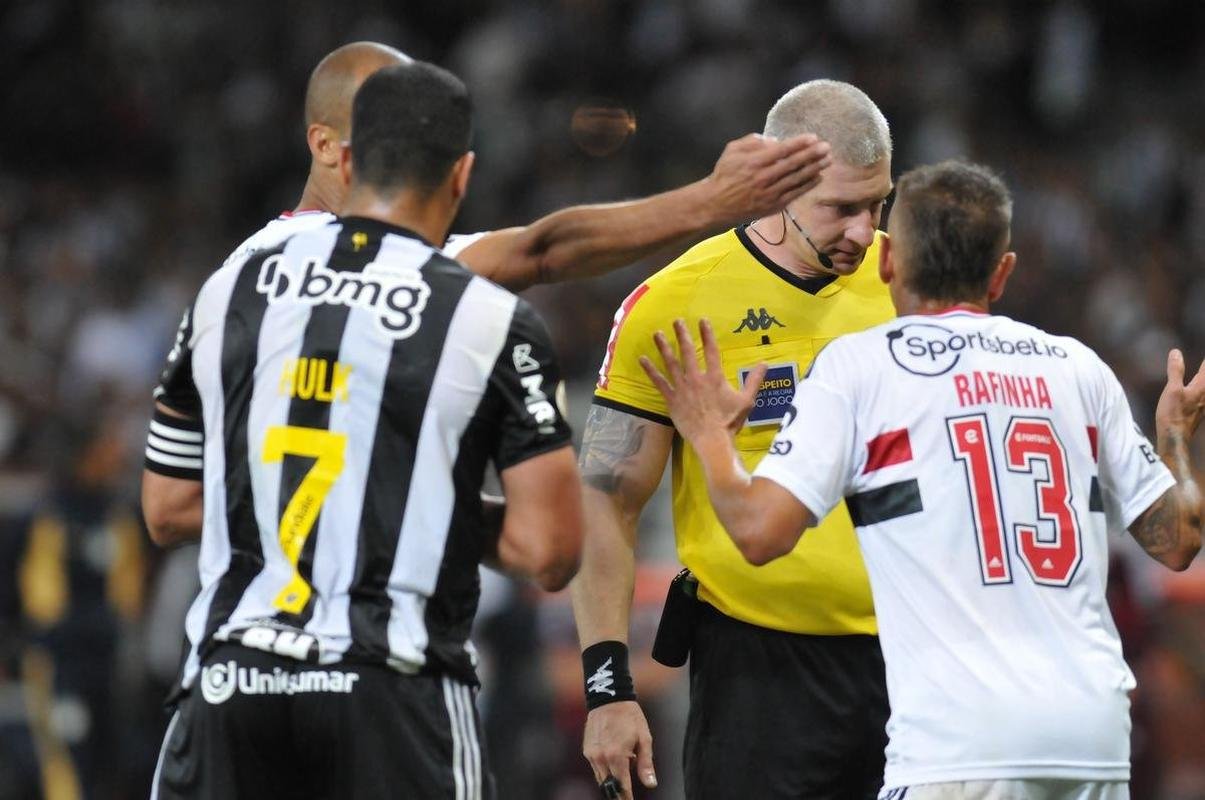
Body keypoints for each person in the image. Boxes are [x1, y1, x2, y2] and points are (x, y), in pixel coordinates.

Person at [641, 160, 1203, 800]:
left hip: (955, 747)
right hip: (1093, 739)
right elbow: (1178, 539)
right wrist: (1176, 438)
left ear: (887, 265)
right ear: (1003, 272)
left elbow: (758, 534)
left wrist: (710, 436)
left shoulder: (862, 367)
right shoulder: (1078, 368)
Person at [142, 60, 583, 799]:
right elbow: (548, 551)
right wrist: (395, 503)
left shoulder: (232, 289)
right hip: (391, 686)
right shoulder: (483, 314)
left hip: (232, 680)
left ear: (344, 159)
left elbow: (164, 507)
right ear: (461, 174)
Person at [571, 79, 895, 799]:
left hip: (917, 660)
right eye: (841, 209)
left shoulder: (913, 283)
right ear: (775, 186)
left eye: (879, 204)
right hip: (758, 678)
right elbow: (604, 503)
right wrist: (607, 687)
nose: (864, 233)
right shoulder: (675, 305)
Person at [226, 41, 834, 291]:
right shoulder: (342, 256)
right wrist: (712, 200)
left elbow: (172, 504)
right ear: (326, 145)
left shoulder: (235, 280)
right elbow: (542, 251)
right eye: (384, 120)